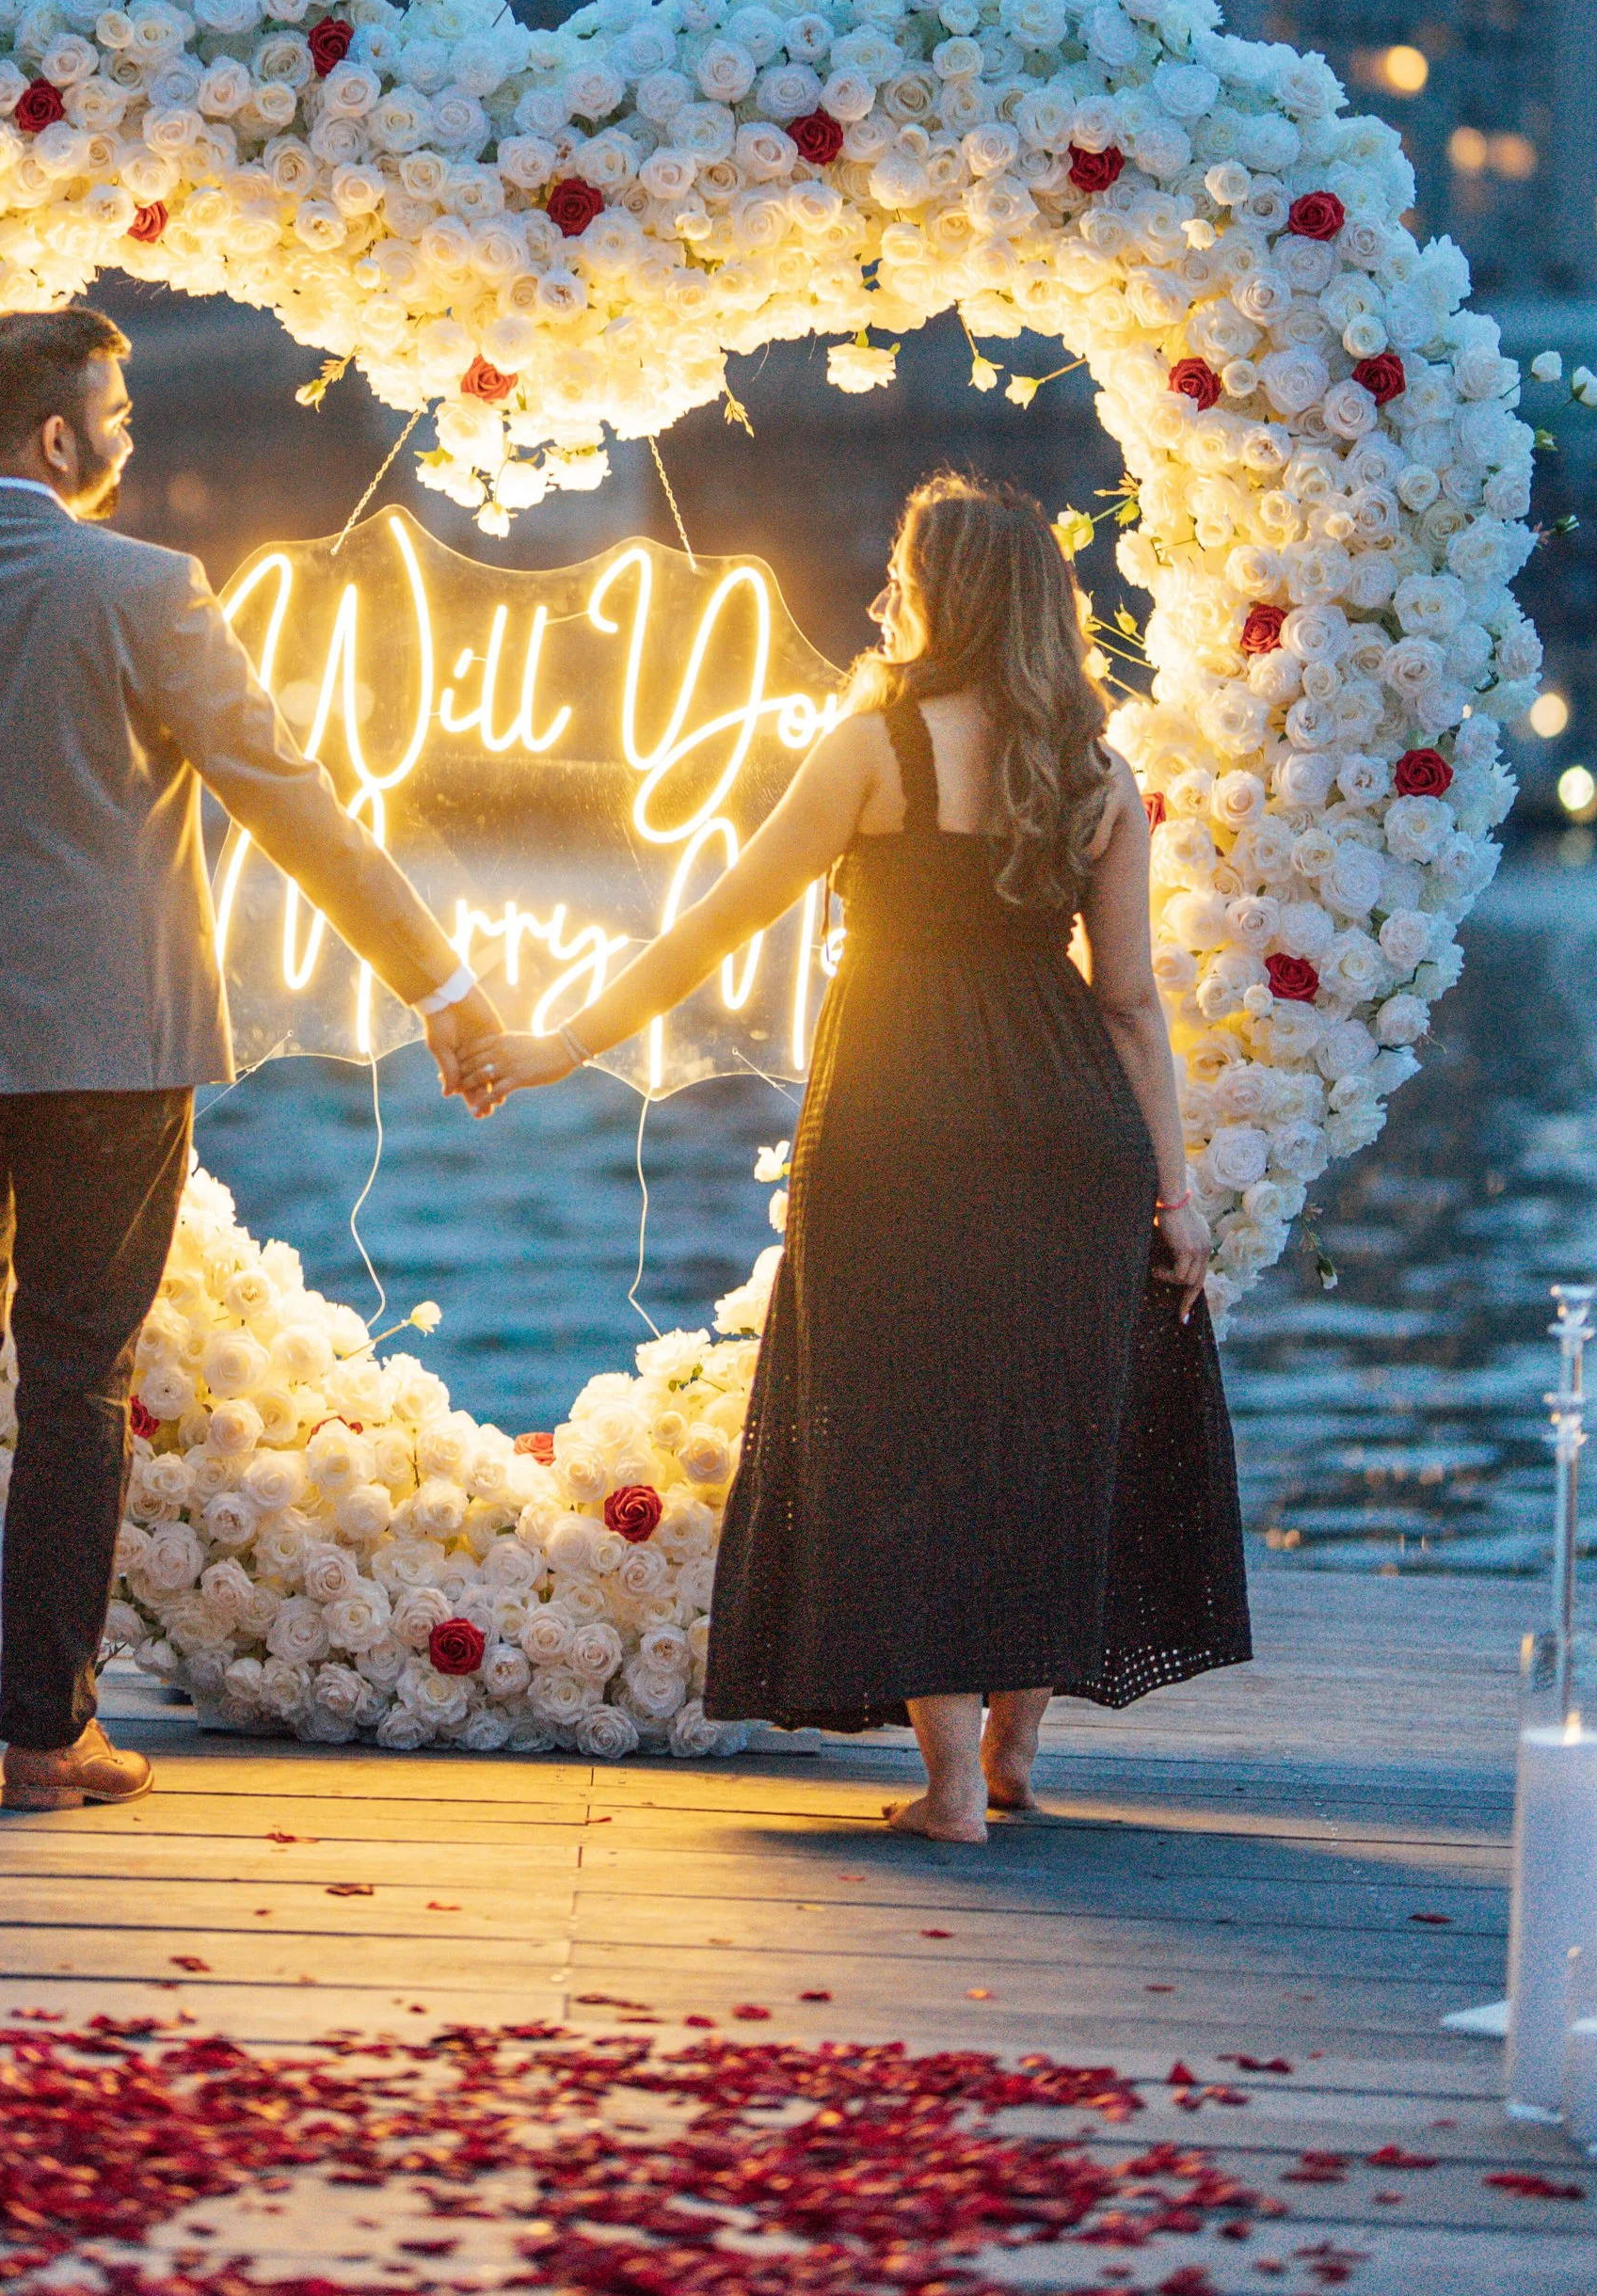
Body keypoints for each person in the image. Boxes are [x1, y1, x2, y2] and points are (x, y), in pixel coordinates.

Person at [463, 469, 1250, 1839]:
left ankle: (946, 1784)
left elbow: (711, 924)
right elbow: (1130, 1003)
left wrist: (553, 1043)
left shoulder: (874, 744)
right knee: (1043, 1425)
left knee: (908, 1431)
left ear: (935, 590)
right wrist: (1175, 1195)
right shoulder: (1097, 771)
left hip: (901, 1108)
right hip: (1068, 1117)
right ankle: (1015, 1754)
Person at [0, 303, 504, 1813]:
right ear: (57, 436)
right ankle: (48, 1733)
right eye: (113, 412)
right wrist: (438, 980)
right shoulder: (146, 591)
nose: (128, 436)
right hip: (110, 1045)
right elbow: (290, 803)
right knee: (74, 1374)